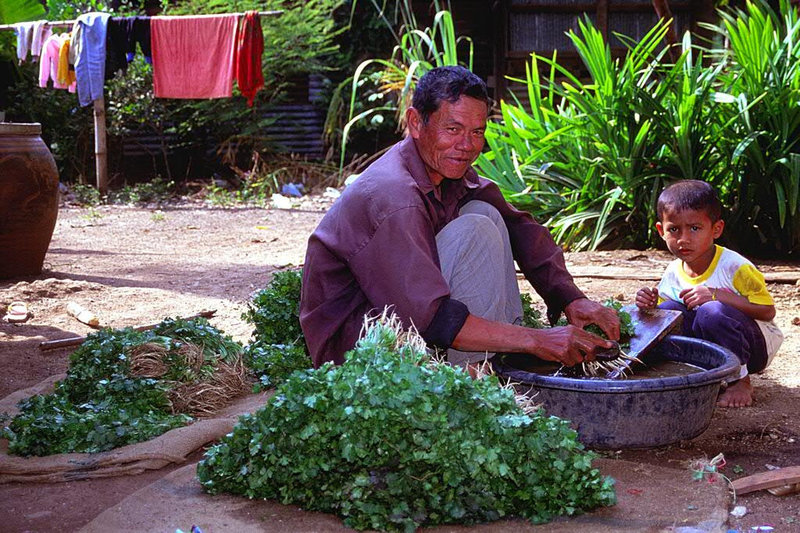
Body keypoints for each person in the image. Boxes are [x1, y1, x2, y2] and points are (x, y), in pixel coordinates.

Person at [300, 65, 619, 371]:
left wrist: (570, 298)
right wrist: (535, 340)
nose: (466, 146)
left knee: (488, 214)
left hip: (397, 311)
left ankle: (491, 358)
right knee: (476, 228)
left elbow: (518, 227)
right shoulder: (395, 197)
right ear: (415, 122)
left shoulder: (443, 169)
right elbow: (432, 316)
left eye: (477, 131)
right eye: (452, 129)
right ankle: (473, 376)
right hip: (355, 348)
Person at [635, 180, 783, 408]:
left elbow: (767, 311)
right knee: (667, 312)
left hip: (754, 347)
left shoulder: (734, 267)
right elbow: (666, 315)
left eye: (695, 228)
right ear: (660, 231)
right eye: (674, 229)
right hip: (714, 346)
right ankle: (693, 376)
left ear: (716, 229)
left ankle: (740, 381)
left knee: (711, 311)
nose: (684, 239)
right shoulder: (673, 270)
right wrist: (649, 304)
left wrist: (718, 295)